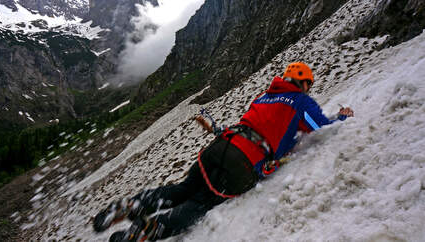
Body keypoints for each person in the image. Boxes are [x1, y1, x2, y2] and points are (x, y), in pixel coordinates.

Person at [93, 62, 354, 241]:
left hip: (221, 147)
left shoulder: (264, 97)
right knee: (199, 203)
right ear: (304, 83)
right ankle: (143, 232)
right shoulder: (300, 100)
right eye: (309, 85)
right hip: (242, 161)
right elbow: (318, 126)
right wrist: (341, 117)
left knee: (183, 189)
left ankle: (131, 205)